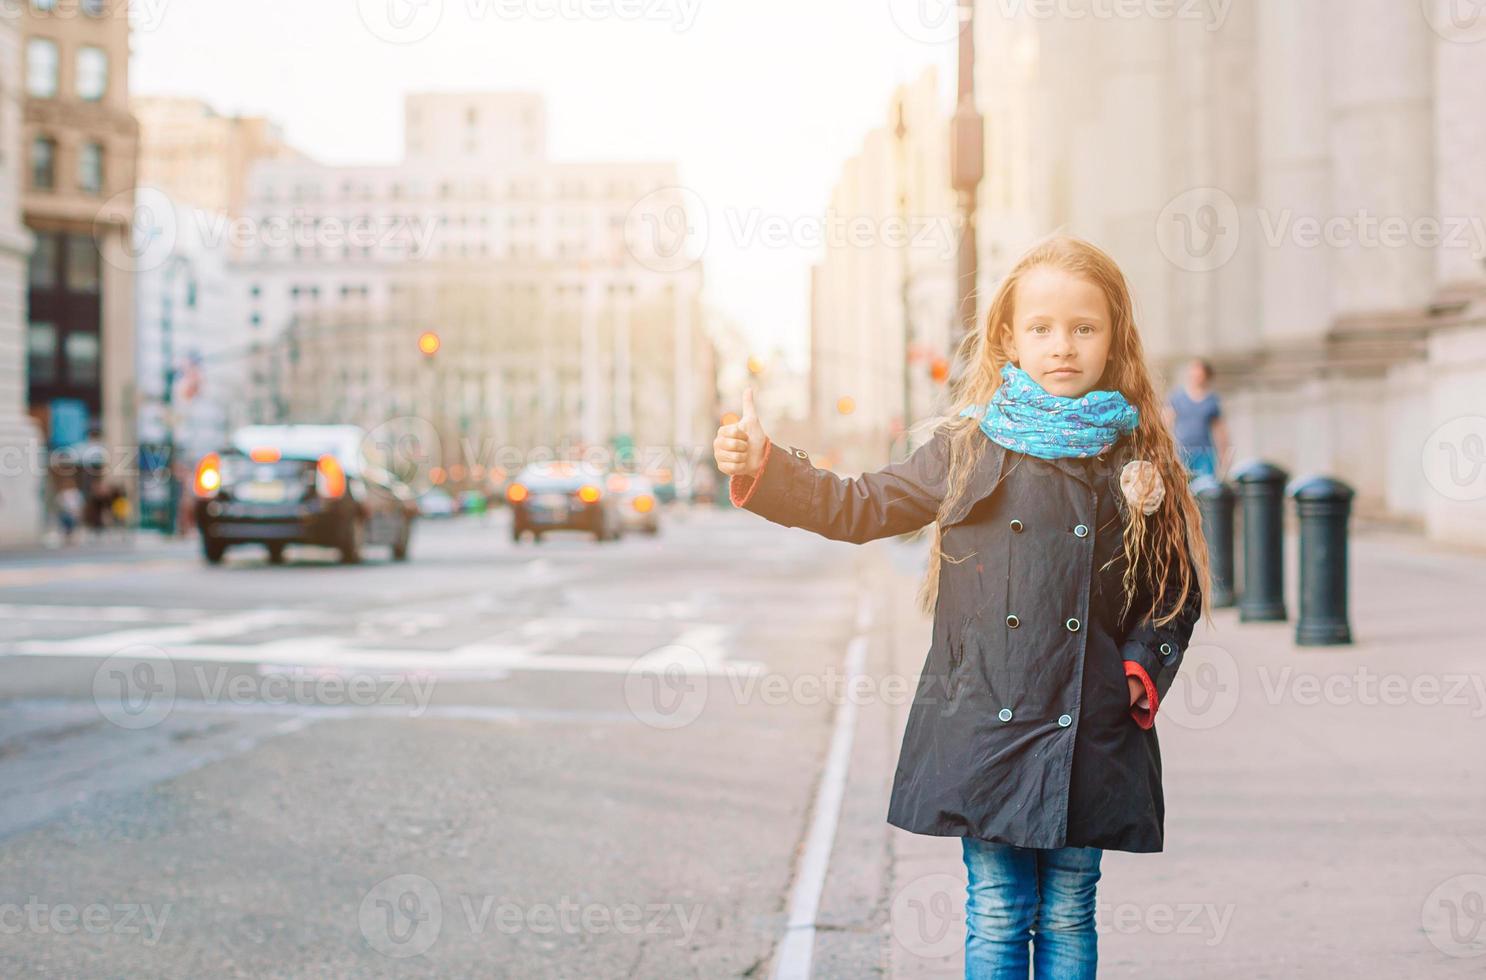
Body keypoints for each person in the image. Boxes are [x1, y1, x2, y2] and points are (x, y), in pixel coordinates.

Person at [714, 235, 1210, 979]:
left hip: (1091, 721)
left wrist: (1138, 670)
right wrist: (767, 468)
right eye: (1041, 328)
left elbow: (1175, 588)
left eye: (1084, 328)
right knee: (999, 909)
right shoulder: (968, 448)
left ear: (1115, 338)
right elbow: (860, 506)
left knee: (1072, 907)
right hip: (987, 716)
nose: (1062, 346)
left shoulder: (1137, 455)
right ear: (1009, 337)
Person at [1163, 358, 1230, 481]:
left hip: (1204, 453)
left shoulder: (1212, 401)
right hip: (1182, 452)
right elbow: (1166, 423)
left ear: (1206, 376)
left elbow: (1219, 431)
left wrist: (1223, 456)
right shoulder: (1178, 397)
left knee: (1205, 487)